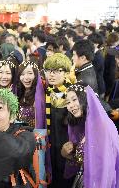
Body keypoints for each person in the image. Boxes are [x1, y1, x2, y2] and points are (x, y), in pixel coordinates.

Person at [62, 84, 119, 187]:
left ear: (86, 99)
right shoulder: (82, 125)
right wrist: (67, 154)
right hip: (83, 180)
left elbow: (107, 168)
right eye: (68, 102)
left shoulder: (102, 127)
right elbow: (83, 159)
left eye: (74, 100)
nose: (71, 105)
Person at [42, 53, 74, 187]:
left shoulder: (73, 94)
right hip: (51, 146)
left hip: (67, 147)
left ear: (66, 73)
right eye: (49, 71)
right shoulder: (48, 92)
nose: (51, 74)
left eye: (56, 71)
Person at [17, 60, 45, 128]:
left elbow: (40, 124)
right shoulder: (19, 93)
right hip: (18, 136)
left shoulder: (38, 97)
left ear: (36, 75)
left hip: (33, 137)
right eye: (22, 74)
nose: (26, 78)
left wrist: (39, 139)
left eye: (30, 73)